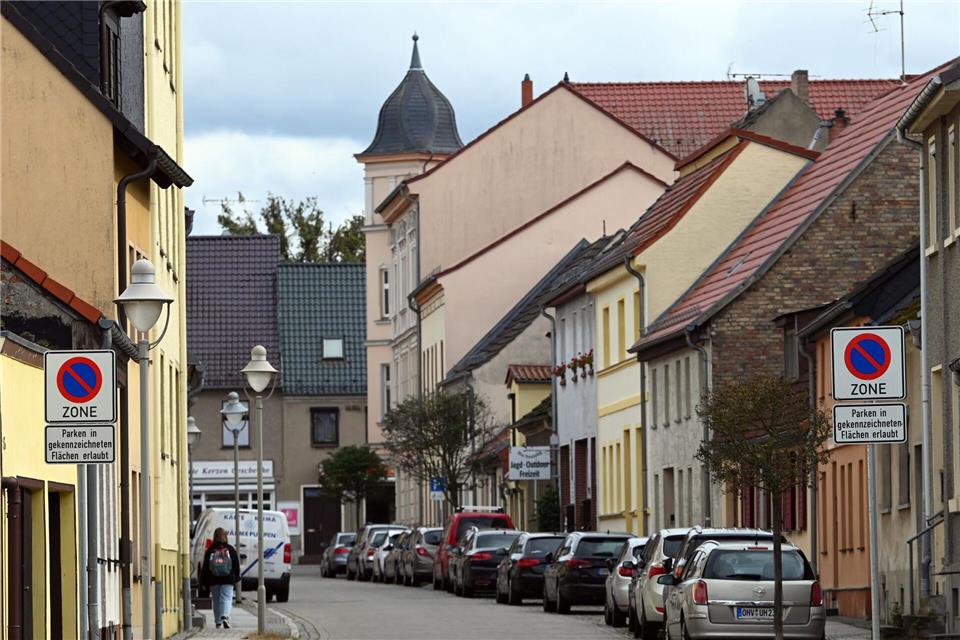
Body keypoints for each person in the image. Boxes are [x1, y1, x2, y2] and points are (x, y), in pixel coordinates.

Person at [201, 527, 241, 629]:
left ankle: (218, 621)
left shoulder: (211, 550)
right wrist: (237, 577)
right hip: (228, 579)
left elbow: (205, 567)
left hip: (213, 579)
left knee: (216, 600)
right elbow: (236, 564)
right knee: (227, 598)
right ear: (225, 537)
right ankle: (225, 616)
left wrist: (204, 582)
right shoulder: (230, 549)